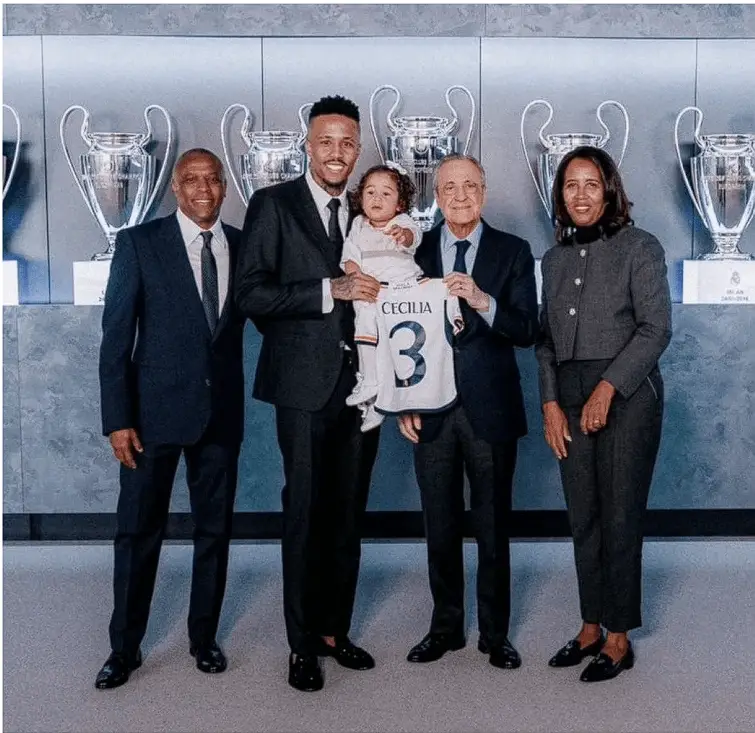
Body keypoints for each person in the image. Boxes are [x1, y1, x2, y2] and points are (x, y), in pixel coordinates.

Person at [234, 95, 380, 692]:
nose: (337, 153)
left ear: (359, 147)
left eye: (347, 142)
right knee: (304, 513)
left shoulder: (371, 209)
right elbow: (251, 294)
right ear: (307, 145)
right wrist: (330, 291)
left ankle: (333, 631)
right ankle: (300, 645)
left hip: (365, 388)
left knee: (347, 514)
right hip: (300, 385)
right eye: (326, 142)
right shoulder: (272, 205)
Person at [95, 149, 245, 689]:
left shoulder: (244, 246)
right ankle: (124, 648)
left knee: (215, 531)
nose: (202, 188)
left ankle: (203, 638)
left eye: (212, 179)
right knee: (137, 532)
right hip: (149, 418)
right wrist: (117, 418)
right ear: (175, 189)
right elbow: (116, 339)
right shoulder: (140, 244)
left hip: (220, 416)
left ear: (224, 187)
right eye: (191, 179)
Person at [535, 145, 672, 682]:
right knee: (583, 516)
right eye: (571, 185)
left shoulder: (641, 247)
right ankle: (590, 624)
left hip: (628, 398)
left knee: (619, 516)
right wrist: (549, 403)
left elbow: (655, 328)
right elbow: (544, 341)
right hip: (566, 398)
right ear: (561, 196)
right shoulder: (554, 258)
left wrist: (607, 389)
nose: (581, 195)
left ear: (609, 190)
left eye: (592, 184)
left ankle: (618, 636)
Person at [398, 154, 539, 671]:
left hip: (491, 408)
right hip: (430, 408)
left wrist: (483, 300)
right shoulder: (414, 252)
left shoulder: (513, 251)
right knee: (439, 523)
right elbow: (398, 333)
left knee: (493, 523)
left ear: (485, 190)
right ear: (436, 194)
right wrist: (403, 401)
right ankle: (445, 627)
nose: (459, 196)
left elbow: (527, 329)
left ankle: (495, 634)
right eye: (449, 187)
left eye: (470, 186)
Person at [341, 163, 423, 431]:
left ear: (399, 204)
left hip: (402, 290)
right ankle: (370, 388)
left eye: (386, 194)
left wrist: (405, 236)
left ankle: (383, 396)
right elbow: (349, 257)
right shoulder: (358, 225)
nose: (377, 199)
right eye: (370, 192)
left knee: (393, 349)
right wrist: (355, 275)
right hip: (371, 293)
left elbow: (414, 237)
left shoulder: (401, 222)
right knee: (364, 333)